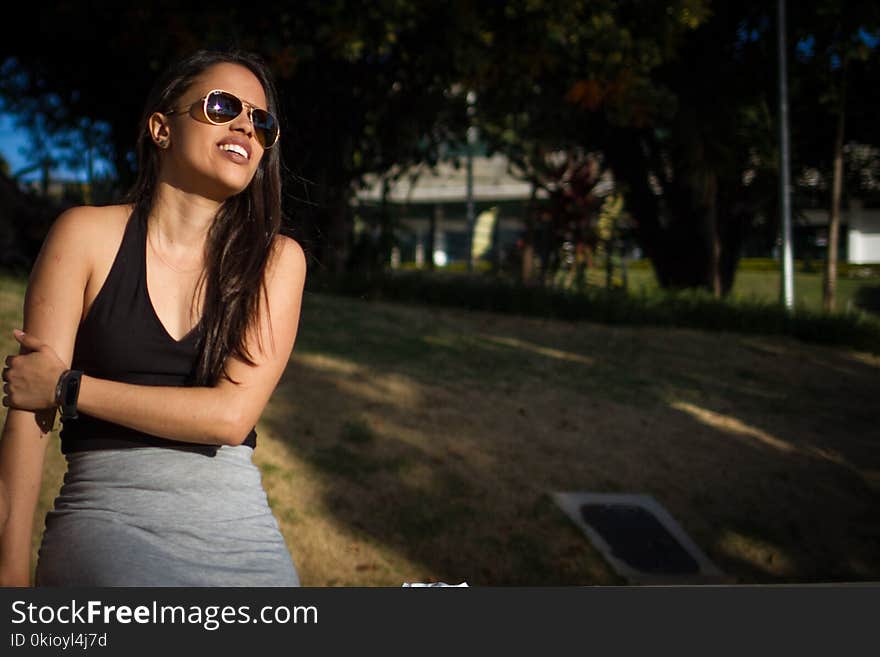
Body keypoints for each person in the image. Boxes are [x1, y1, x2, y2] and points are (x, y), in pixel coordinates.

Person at [0, 49, 306, 586]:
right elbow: (28, 413)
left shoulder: (277, 261)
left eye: (262, 121)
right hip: (109, 522)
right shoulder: (85, 236)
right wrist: (9, 573)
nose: (245, 126)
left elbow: (231, 417)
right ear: (161, 128)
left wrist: (69, 389)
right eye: (222, 105)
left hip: (242, 534)